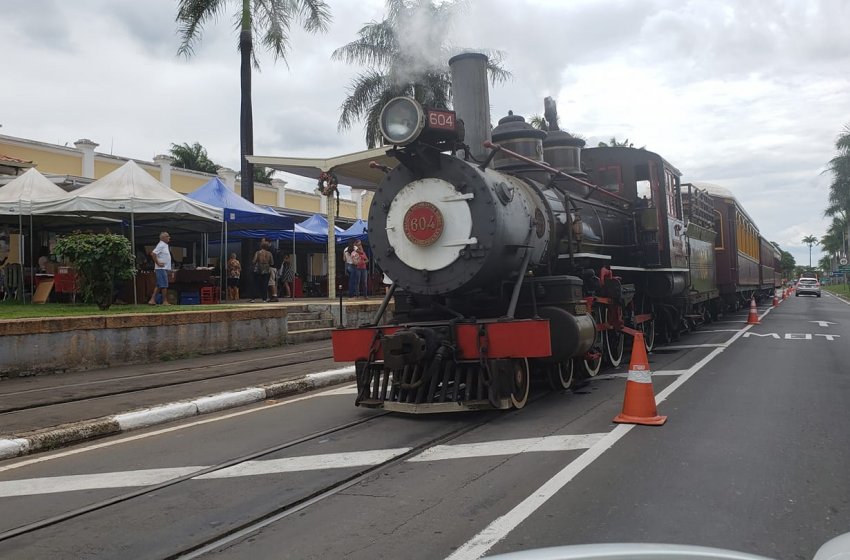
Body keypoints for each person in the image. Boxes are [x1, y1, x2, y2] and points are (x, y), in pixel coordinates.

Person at [148, 232, 172, 305]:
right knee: (164, 285)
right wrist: (158, 263)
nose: (169, 238)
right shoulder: (161, 245)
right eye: (167, 236)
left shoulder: (164, 245)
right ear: (163, 238)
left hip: (164, 268)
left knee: (159, 285)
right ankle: (164, 301)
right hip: (161, 268)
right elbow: (153, 253)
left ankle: (152, 300)